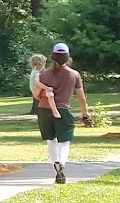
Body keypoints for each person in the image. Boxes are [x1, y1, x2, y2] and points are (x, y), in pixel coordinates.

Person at [34, 42, 88, 183]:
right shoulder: (74, 74)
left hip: (44, 111)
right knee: (64, 142)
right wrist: (85, 114)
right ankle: (62, 163)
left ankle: (55, 165)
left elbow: (36, 94)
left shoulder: (43, 74)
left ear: (52, 56)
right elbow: (81, 97)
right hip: (63, 110)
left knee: (51, 141)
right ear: (67, 57)